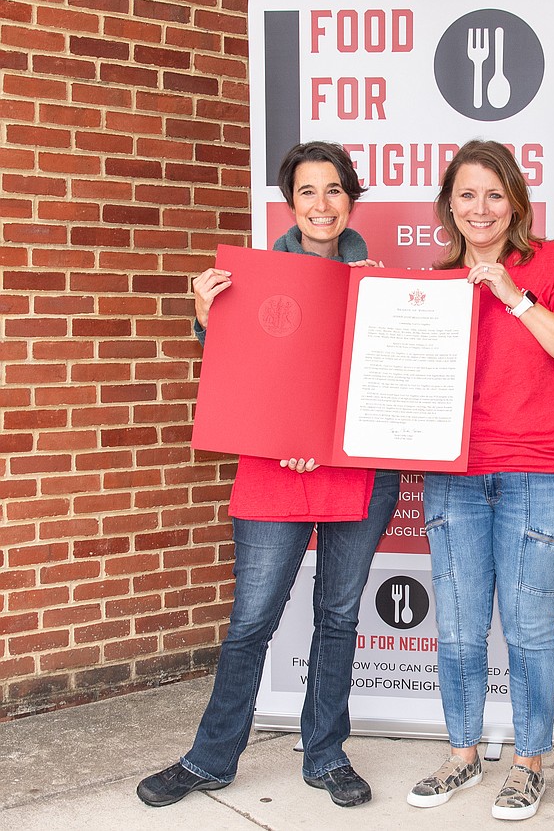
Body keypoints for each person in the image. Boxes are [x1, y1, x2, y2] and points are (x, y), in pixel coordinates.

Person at [137, 141, 399, 810]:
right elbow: (235, 368)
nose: (322, 203)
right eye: (308, 191)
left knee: (338, 615)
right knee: (252, 619)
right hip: (270, 468)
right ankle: (210, 758)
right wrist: (203, 314)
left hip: (356, 468)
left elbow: (384, 384)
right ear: (291, 202)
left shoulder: (379, 279)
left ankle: (326, 754)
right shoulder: (250, 276)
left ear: (351, 199)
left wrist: (388, 309)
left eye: (334, 189)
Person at [406, 140, 554, 821]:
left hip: (542, 472)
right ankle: (463, 755)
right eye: (466, 194)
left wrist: (515, 297)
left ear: (515, 200)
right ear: (449, 205)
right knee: (457, 629)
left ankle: (527, 763)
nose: (480, 208)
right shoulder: (435, 285)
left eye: (493, 193)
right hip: (456, 477)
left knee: (526, 628)